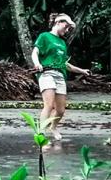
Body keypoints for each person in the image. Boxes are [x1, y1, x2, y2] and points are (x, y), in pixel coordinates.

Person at [31, 13, 90, 141]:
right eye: (66, 26)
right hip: (47, 73)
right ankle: (41, 133)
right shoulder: (44, 36)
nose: (67, 30)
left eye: (69, 28)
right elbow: (35, 52)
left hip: (60, 75)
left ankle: (53, 127)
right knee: (49, 104)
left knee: (61, 109)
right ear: (58, 23)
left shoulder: (63, 43)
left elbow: (65, 64)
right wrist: (37, 64)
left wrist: (82, 71)